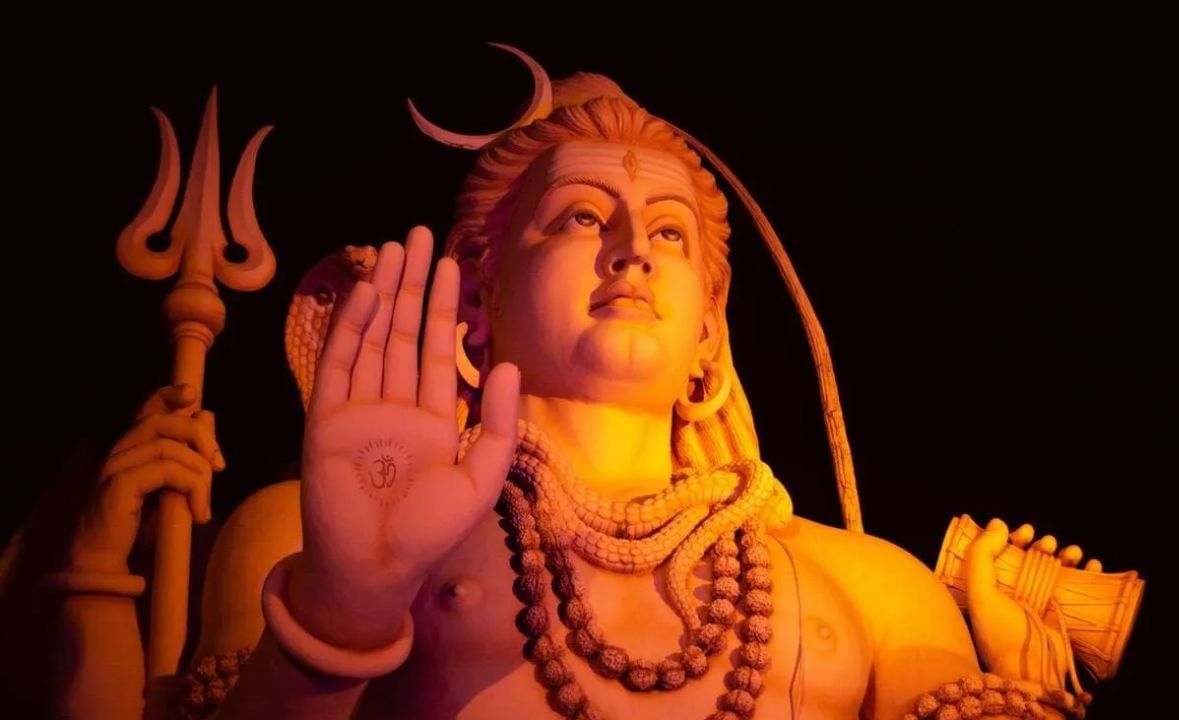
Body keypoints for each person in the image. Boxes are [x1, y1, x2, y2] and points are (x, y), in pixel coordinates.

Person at [52, 50, 1104, 720]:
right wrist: (338, 619)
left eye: (670, 234)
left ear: (709, 334)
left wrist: (1015, 693)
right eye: (581, 218)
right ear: (474, 306)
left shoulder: (877, 595)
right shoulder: (313, 536)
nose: (632, 249)